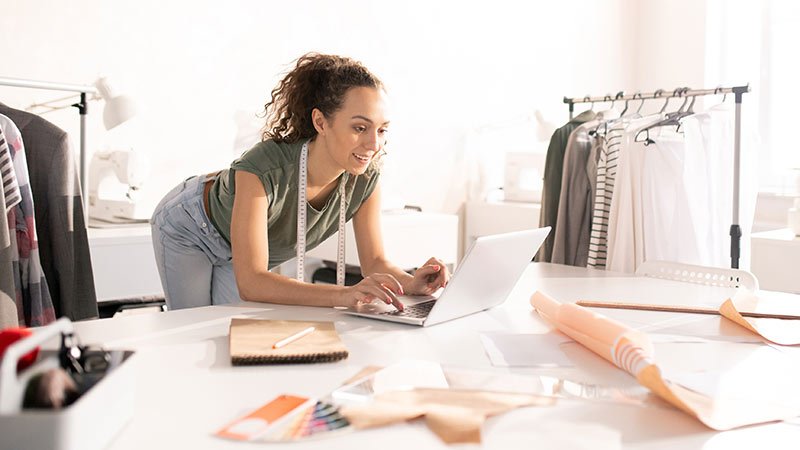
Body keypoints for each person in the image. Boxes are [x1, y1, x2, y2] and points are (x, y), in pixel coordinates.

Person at [150, 53, 450, 311]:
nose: (373, 144)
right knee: (192, 332)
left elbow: (374, 261)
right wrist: (345, 295)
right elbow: (252, 282)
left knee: (231, 334)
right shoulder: (262, 169)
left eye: (382, 130)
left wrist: (412, 284)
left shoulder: (365, 178)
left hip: (239, 252)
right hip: (191, 227)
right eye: (360, 127)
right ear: (321, 122)